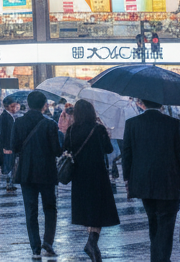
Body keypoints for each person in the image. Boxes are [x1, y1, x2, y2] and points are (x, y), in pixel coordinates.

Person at [121, 99, 180, 262]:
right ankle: (161, 259)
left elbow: (127, 154)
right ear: (161, 104)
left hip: (143, 182)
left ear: (142, 103)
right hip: (169, 181)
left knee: (153, 221)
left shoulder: (132, 123)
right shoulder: (174, 123)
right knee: (166, 225)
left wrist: (128, 180)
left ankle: (156, 258)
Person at [66, 99, 119, 262]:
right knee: (98, 209)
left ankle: (91, 242)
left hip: (79, 175)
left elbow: (66, 150)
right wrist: (106, 136)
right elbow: (109, 150)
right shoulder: (98, 129)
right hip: (97, 174)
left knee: (87, 209)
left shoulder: (71, 130)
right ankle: (92, 241)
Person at [14, 91, 62, 259]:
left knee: (31, 210)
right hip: (47, 172)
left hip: (26, 172)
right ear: (44, 105)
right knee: (50, 208)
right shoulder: (50, 124)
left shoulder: (18, 122)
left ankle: (35, 247)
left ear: (28, 104)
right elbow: (57, 151)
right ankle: (48, 241)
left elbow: (14, 147)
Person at [0, 100, 19, 193]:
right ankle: (9, 183)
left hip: (11, 144)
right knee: (8, 163)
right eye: (13, 106)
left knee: (11, 163)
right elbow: (3, 133)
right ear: (8, 106)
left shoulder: (10, 116)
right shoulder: (4, 116)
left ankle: (11, 183)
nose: (15, 108)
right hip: (7, 145)